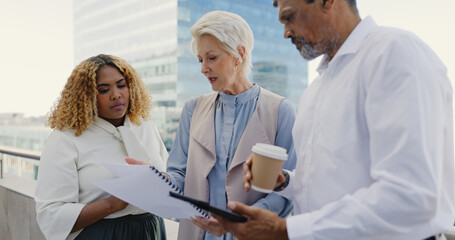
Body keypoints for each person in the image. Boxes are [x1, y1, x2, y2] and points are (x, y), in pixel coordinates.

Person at [212, 0, 455, 239]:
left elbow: (410, 196)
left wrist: (285, 230)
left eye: (289, 17)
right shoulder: (315, 90)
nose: (285, 33)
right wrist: (285, 181)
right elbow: (332, 184)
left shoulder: (394, 53)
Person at [128, 10, 297, 240]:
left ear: (239, 54)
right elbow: (179, 174)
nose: (203, 68)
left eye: (211, 57)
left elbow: (288, 190)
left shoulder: (281, 111)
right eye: (200, 60)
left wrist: (240, 222)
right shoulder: (192, 109)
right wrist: (159, 180)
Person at [34, 54, 168, 240]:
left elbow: (170, 179)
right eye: (104, 90)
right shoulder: (65, 139)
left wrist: (162, 179)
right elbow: (51, 214)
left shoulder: (146, 126)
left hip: (150, 230)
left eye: (121, 85)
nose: (116, 95)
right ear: (86, 97)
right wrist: (112, 203)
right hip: (99, 233)